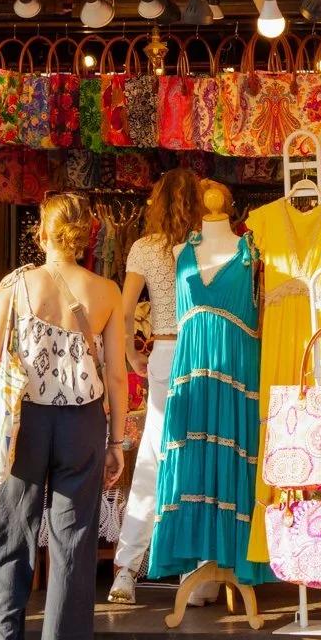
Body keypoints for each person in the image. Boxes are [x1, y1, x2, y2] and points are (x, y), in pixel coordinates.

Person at [0, 193, 128, 640]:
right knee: (73, 544)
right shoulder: (106, 290)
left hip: (28, 422)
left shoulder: (16, 284)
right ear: (85, 237)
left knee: (13, 535)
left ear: (41, 233)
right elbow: (115, 376)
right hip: (84, 422)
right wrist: (117, 441)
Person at [110, 167, 205, 605]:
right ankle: (198, 570)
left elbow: (124, 309)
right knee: (200, 455)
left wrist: (131, 354)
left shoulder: (144, 248)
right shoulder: (208, 243)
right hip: (204, 352)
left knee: (152, 456)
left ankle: (127, 568)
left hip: (165, 353)